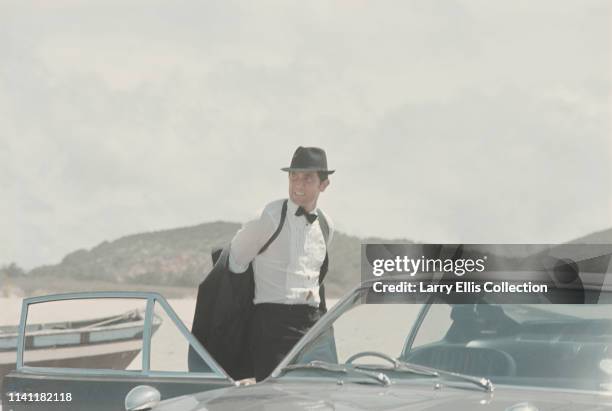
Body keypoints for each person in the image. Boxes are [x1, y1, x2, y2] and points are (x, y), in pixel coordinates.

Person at [228, 146, 334, 381]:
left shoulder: (326, 225)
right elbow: (234, 263)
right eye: (293, 176)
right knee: (276, 401)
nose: (298, 184)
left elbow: (318, 277)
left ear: (323, 184)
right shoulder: (267, 218)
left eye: (307, 178)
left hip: (314, 327)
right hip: (272, 327)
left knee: (323, 397)